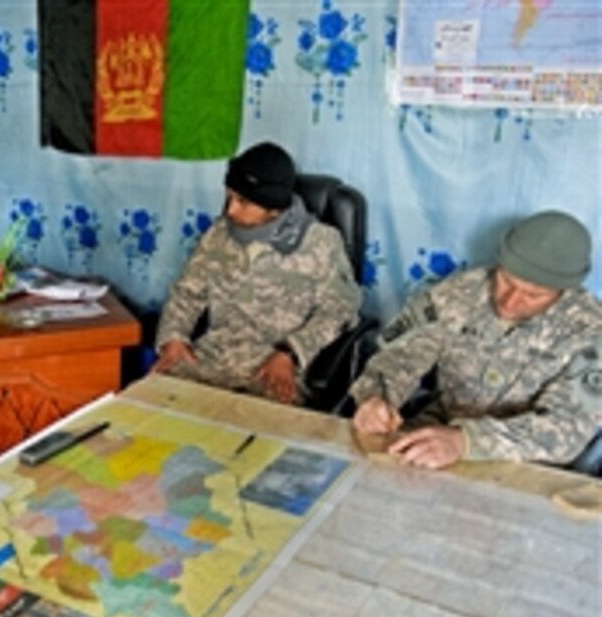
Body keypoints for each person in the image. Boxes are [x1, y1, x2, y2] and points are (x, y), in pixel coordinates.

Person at [351, 210, 602, 469]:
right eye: (506, 280)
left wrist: (467, 442)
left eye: (533, 295)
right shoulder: (460, 291)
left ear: (564, 291)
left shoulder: (593, 332)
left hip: (523, 461)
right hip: (436, 429)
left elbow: (566, 428)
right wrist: (377, 398)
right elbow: (400, 356)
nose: (510, 302)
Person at [152, 142, 362, 405]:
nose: (230, 210)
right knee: (151, 406)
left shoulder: (321, 243)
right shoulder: (219, 234)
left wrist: (291, 352)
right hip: (212, 359)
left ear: (273, 206)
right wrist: (173, 338)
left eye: (243, 201)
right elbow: (187, 292)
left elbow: (340, 310)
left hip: (274, 370)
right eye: (229, 197)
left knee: (257, 438)